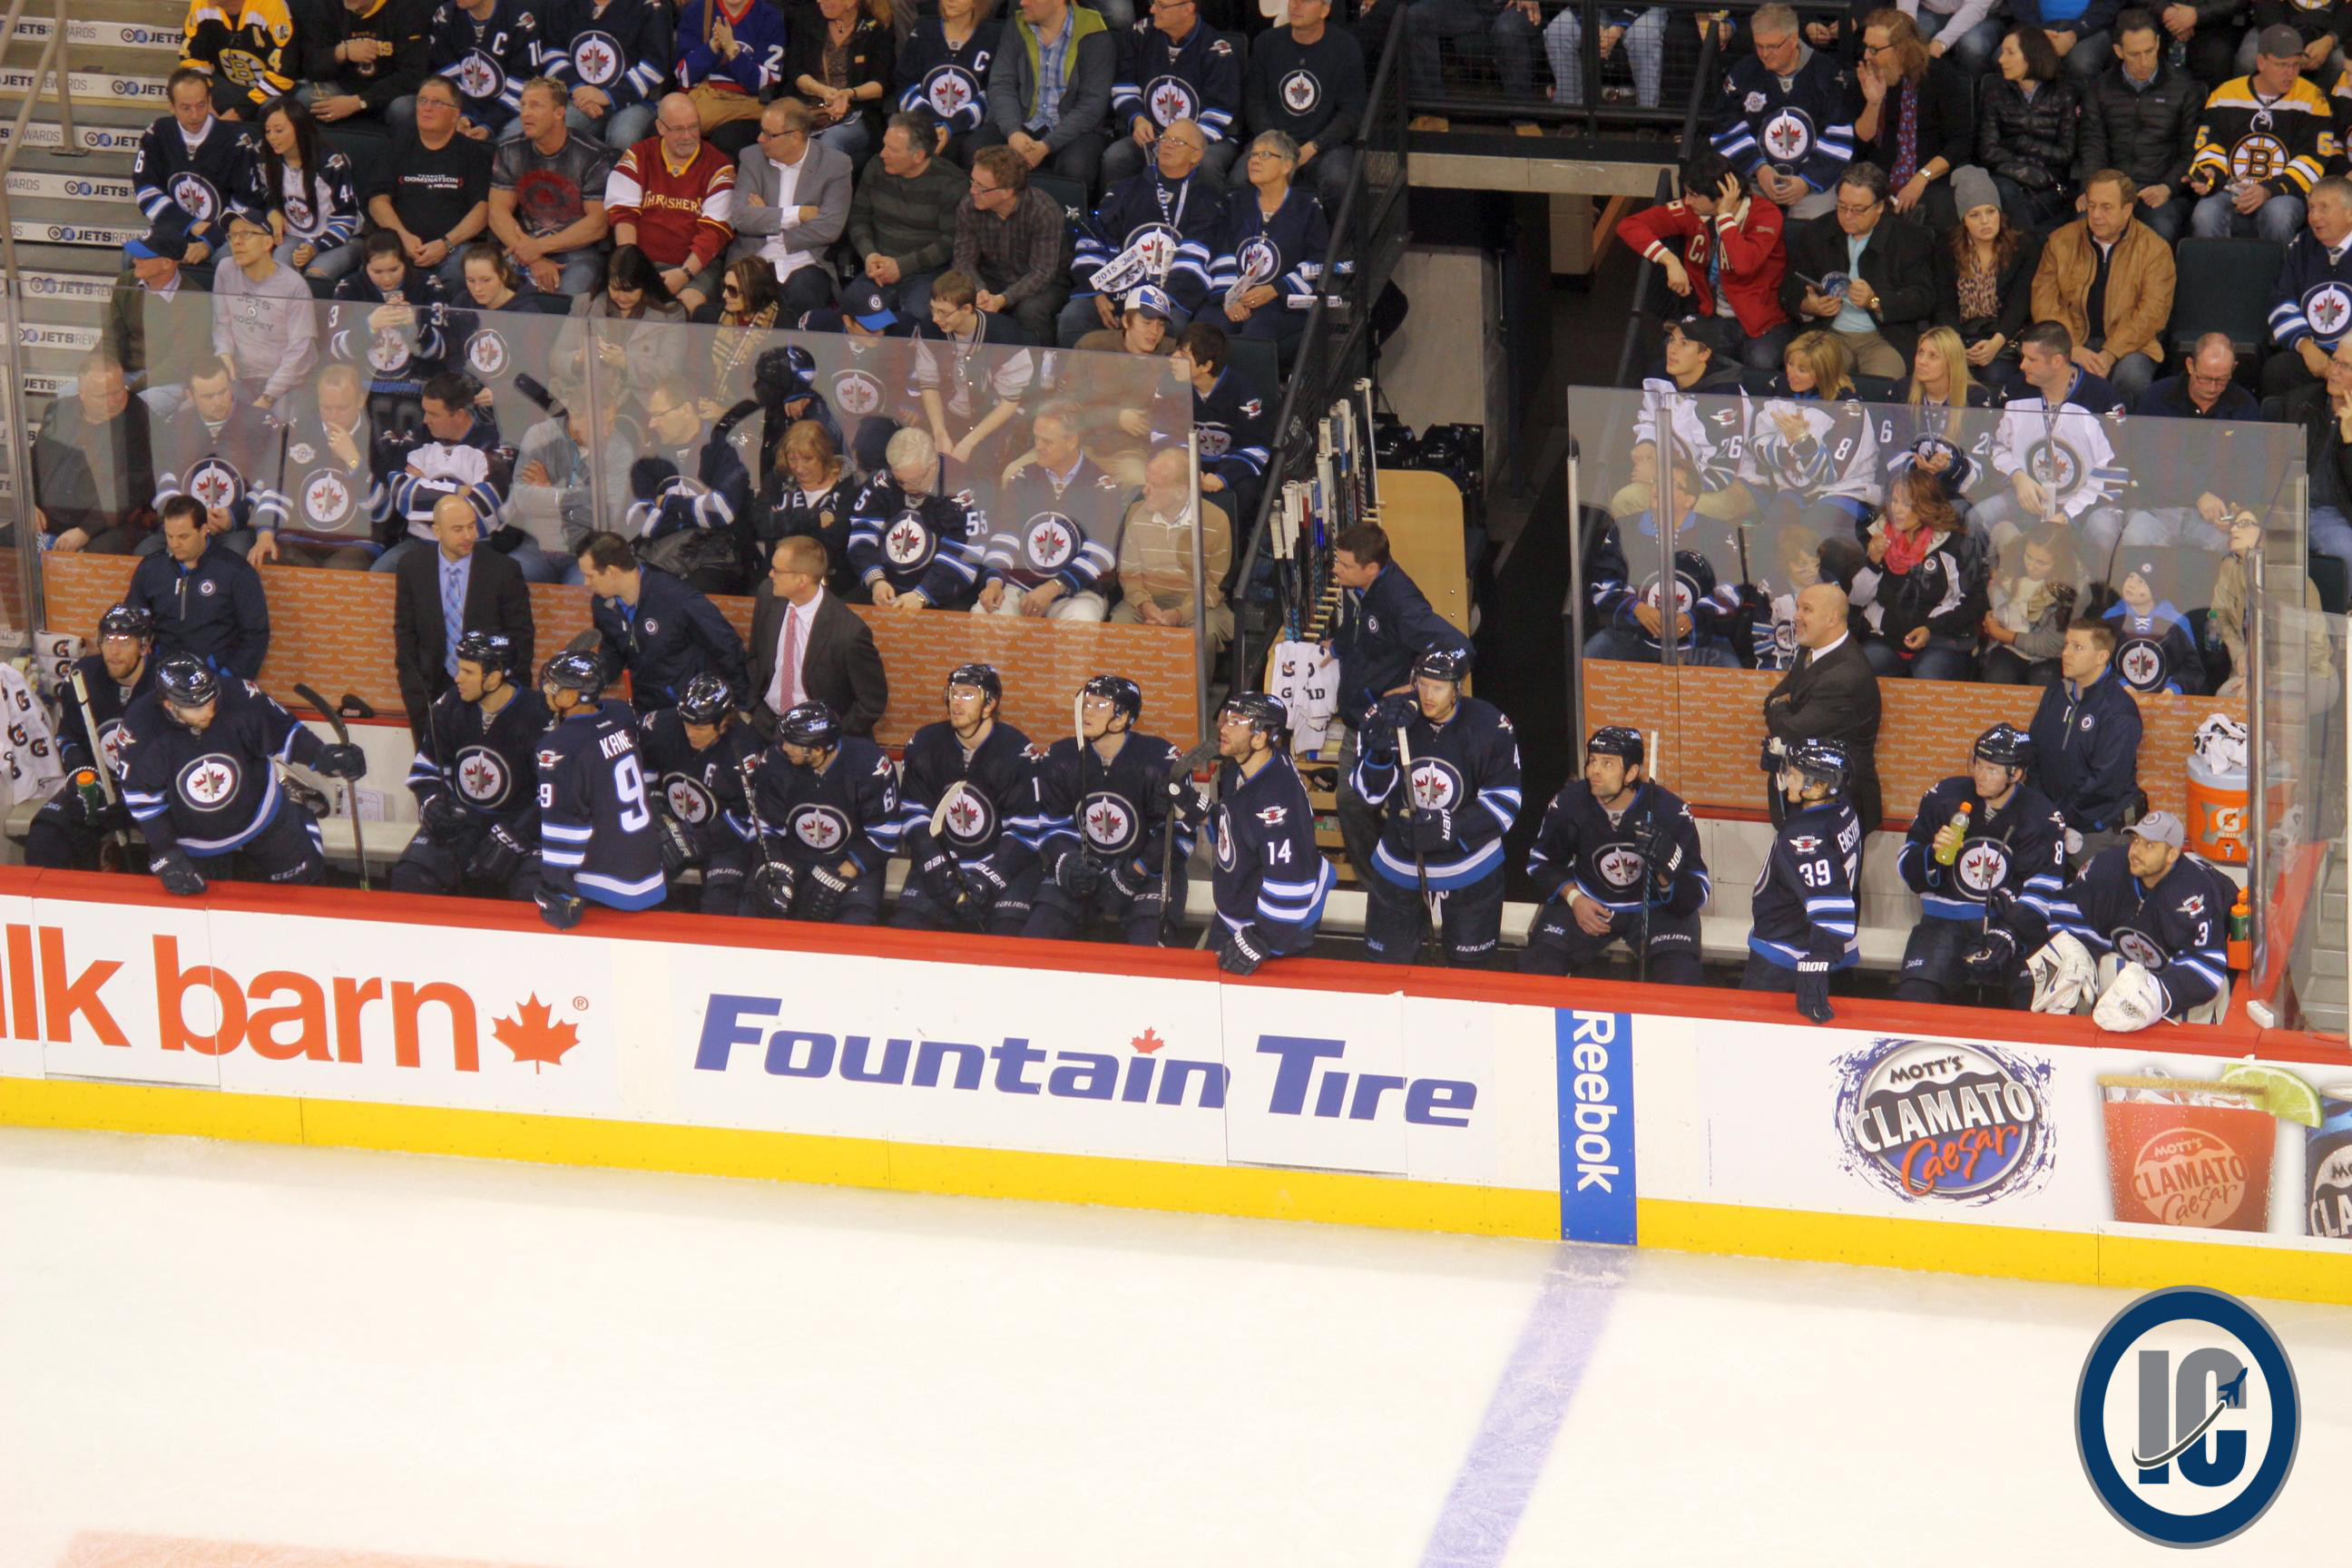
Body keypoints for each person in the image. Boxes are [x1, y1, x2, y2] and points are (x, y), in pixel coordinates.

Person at [122, 656, 367, 895]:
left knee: (305, 888)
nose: (209, 711)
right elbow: (141, 796)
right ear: (170, 705)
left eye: (211, 701)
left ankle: (298, 815)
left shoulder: (239, 695)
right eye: (198, 707)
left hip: (263, 815)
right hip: (195, 841)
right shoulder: (141, 727)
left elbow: (284, 733)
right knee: (202, 909)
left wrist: (323, 756)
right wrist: (165, 852)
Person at [1349, 648, 1520, 967]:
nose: (1427, 695)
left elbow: (1505, 804)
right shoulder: (1387, 716)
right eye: (1422, 684)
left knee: (1469, 974)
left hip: (1471, 867)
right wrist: (1379, 754)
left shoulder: (1490, 725)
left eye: (1438, 688)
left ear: (1457, 689)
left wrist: (1451, 827)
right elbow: (1368, 795)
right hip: (1400, 864)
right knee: (1386, 970)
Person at [1326, 520, 1471, 884]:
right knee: (1350, 802)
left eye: (1344, 564)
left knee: (1385, 804)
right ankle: (1374, 883)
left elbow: (1460, 648)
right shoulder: (1358, 588)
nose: (1336, 570)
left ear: (1371, 568)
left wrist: (1416, 688)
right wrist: (1338, 647)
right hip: (1357, 718)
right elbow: (1357, 627)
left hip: (1390, 725)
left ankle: (1399, 881)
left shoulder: (1400, 602)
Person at [1893, 722, 2069, 1005]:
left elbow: (2045, 888)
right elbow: (1906, 865)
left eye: (1991, 770)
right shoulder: (1943, 797)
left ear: (2016, 774)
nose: (1980, 775)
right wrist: (1931, 856)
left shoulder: (2041, 815)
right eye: (1978, 764)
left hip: (2011, 924)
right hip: (1945, 923)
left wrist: (2009, 932)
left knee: (2036, 1002)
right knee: (1915, 998)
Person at [1520, 725, 1710, 983]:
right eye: (1592, 761)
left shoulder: (1669, 811)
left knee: (1680, 977)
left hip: (1654, 909)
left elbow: (1697, 891)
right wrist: (1574, 898)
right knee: (1537, 968)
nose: (1594, 771)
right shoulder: (1570, 802)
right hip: (1590, 899)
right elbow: (1541, 862)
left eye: (1607, 763)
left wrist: (1665, 870)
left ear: (1631, 772)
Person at [1019, 675, 1190, 945]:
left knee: (1147, 954)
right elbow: (1052, 823)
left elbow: (1181, 834)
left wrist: (1135, 872)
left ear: (1122, 718)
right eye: (1086, 704)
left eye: (1100, 706)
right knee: (1034, 942)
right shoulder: (1061, 756)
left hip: (1148, 875)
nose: (1087, 712)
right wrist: (1068, 862)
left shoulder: (1160, 760)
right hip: (1085, 872)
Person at [391, 629, 553, 897]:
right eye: (460, 669)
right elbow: (427, 771)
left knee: (530, 892)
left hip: (520, 828)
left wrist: (517, 834)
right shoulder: (448, 706)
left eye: (468, 672)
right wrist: (432, 804)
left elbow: (552, 793)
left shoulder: (539, 715)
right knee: (411, 876)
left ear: (494, 677)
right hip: (465, 822)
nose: (457, 678)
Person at [715, 699, 902, 922]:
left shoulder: (869, 765)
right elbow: (765, 825)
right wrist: (774, 867)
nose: (784, 747)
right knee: (754, 912)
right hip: (791, 857)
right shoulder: (775, 761)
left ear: (818, 750)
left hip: (850, 859)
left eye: (793, 743)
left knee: (855, 921)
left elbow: (885, 834)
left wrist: (843, 873)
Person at [2043, 810, 2237, 1027]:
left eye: (2150, 845)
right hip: (2143, 943)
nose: (2136, 851)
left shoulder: (2192, 895)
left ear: (2172, 854)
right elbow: (2068, 906)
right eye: (2135, 840)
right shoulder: (2107, 866)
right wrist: (2076, 950)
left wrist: (2158, 994)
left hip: (2218, 945)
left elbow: (2207, 968)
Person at [888, 663, 1038, 933]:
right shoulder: (925, 743)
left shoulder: (1016, 751)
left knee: (1005, 939)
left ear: (990, 703)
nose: (956, 702)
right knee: (906, 931)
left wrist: (987, 878)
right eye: (953, 693)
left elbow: (1024, 829)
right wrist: (937, 866)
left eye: (968, 694)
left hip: (1001, 867)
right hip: (942, 861)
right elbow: (913, 812)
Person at [1618, 148, 1791, 374]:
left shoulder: (1766, 214)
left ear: (1720, 195)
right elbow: (1629, 226)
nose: (1687, 201)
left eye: (1693, 194)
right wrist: (1670, 260)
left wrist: (1725, 217)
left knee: (1761, 363)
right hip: (1715, 317)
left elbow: (1744, 264)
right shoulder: (1691, 211)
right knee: (1674, 352)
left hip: (1765, 320)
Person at [1197, 691, 1331, 975]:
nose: (1224, 728)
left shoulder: (1276, 803)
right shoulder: (1245, 768)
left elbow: (1292, 880)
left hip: (1277, 927)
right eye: (1226, 719)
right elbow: (1241, 832)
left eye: (1236, 722)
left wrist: (1262, 939)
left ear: (1260, 737)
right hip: (1236, 917)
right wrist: (1200, 811)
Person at [533, 648, 668, 926]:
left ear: (573, 695)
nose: (546, 690)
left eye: (554, 686)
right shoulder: (621, 715)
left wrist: (557, 887)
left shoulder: (558, 747)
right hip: (647, 864)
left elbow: (564, 822)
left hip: (606, 878)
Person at [24, 605, 160, 872]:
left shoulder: (165, 683)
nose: (114, 651)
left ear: (144, 646)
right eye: (108, 640)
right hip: (97, 784)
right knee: (44, 840)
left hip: (152, 792)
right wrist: (82, 773)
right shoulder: (83, 675)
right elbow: (67, 736)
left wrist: (135, 800)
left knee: (174, 850)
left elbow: (182, 751)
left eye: (124, 642)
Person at [1976, 320, 2131, 556]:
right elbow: (1997, 446)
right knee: (1977, 518)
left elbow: (2114, 472)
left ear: (2057, 361)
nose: (2022, 365)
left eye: (2032, 359)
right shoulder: (2015, 389)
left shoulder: (2102, 398)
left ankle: (2094, 582)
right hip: (2028, 497)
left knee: (2103, 532)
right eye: (2023, 357)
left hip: (2088, 504)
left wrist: (2067, 515)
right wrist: (2017, 477)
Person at [1064, 117, 1222, 345]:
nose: (1167, 145)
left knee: (1174, 325)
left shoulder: (1206, 201)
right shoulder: (1124, 190)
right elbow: (1095, 240)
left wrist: (1152, 306)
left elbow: (1195, 260)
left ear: (1196, 156)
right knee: (1075, 316)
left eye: (1178, 142)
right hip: (1116, 294)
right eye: (1165, 138)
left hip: (1165, 299)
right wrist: (1097, 292)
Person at [392, 492, 535, 738]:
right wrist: (414, 694)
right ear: (437, 532)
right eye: (458, 529)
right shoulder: (411, 566)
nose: (469, 536)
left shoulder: (503, 570)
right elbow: (405, 633)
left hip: (489, 691)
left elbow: (521, 637)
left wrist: (510, 693)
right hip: (431, 691)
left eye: (472, 526)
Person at [2029, 167, 2176, 403]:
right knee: (2048, 370)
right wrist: (2071, 347)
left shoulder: (2155, 249)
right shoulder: (2060, 241)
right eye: (2092, 206)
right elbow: (2044, 301)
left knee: (2132, 377)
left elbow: (2152, 313)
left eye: (2106, 207)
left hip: (2131, 345)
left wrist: (2111, 353)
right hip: (2071, 340)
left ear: (2127, 210)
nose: (2096, 215)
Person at [1778, 161, 1933, 383]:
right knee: (1812, 377)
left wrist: (1875, 301)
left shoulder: (1908, 238)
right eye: (1842, 206)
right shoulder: (1816, 232)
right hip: (1828, 334)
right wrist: (1808, 305)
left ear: (1879, 206)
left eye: (1858, 209)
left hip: (1884, 338)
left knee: (1880, 387)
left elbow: (1923, 298)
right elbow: (1789, 287)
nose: (1848, 215)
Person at [1743, 736, 1862, 1023]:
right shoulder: (1841, 807)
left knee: (1751, 1032)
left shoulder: (1805, 840)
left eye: (1794, 776)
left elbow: (1829, 902)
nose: (1788, 781)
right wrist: (1782, 761)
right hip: (1816, 943)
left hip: (1787, 952)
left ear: (1819, 786)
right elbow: (1795, 812)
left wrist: (1818, 962)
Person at [1707, 4, 1858, 223]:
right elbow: (1725, 126)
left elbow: (1839, 133)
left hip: (1815, 183)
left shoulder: (1827, 73)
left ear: (1794, 39)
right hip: (1755, 181)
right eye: (1759, 46)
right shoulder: (1742, 72)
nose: (1764, 54)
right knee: (1742, 223)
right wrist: (1758, 168)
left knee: (1819, 226)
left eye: (1772, 46)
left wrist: (1807, 182)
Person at [575, 530, 750, 712]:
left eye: (590, 575)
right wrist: (597, 677)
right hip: (647, 709)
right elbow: (613, 648)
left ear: (611, 572)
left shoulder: (678, 599)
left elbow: (727, 646)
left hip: (692, 708)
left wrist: (740, 704)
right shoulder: (602, 604)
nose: (585, 583)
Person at [2189, 25, 2335, 242]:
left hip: (2284, 193)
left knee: (2279, 215)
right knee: (2205, 214)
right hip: (2230, 189)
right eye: (2282, 65)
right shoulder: (2224, 94)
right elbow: (2211, 146)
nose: (2290, 73)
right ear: (2261, 62)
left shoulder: (2313, 99)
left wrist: (2269, 189)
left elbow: (2312, 161)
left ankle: (2281, 266)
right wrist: (2211, 174)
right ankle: (2216, 266)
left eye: (2296, 65)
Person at [980, 403, 1124, 620]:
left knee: (1082, 619)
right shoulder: (1023, 478)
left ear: (1071, 441)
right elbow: (1005, 535)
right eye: (1036, 438)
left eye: (1047, 441)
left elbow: (1101, 553)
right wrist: (994, 582)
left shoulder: (1101, 486)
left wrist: (1055, 586)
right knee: (985, 616)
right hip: (1020, 587)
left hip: (1076, 593)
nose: (1038, 446)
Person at [1763, 582, 1883, 835]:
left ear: (1832, 618)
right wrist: (1778, 704)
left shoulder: (1845, 675)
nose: (1796, 616)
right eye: (1798, 608)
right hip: (1802, 802)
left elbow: (1791, 732)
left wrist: (1779, 707)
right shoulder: (1809, 650)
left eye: (1806, 609)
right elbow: (1773, 698)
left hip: (1837, 809)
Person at [605, 93, 739, 314]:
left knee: (685, 306)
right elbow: (623, 216)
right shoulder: (638, 156)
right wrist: (633, 268)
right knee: (621, 304)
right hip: (641, 262)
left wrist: (684, 274)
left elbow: (714, 233)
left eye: (693, 127)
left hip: (694, 267)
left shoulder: (719, 166)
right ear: (660, 127)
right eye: (678, 129)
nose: (688, 136)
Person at [2077, 9, 2202, 243]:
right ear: (2118, 51)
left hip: (2162, 189)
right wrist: (2092, 189)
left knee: (2159, 230)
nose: (2144, 62)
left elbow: (2191, 151)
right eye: (2134, 54)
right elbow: (2093, 145)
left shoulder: (2185, 88)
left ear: (2158, 43)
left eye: (2149, 51)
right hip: (2112, 188)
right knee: (2083, 230)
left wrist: (2168, 187)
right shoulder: (2099, 88)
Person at [487, 76, 616, 299]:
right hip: (522, 247)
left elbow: (597, 224)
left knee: (566, 297)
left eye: (535, 106)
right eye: (523, 105)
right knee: (488, 288)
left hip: (577, 251)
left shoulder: (593, 154)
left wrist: (539, 247)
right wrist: (533, 258)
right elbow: (497, 212)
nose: (525, 113)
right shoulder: (510, 149)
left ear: (559, 113)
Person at [748, 534, 888, 737]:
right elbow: (755, 656)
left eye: (777, 570)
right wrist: (755, 707)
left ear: (802, 579)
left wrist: (828, 736)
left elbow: (871, 703)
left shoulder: (849, 632)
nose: (770, 574)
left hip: (816, 735)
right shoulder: (767, 595)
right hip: (767, 724)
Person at [634, 672, 759, 902]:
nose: (690, 733)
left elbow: (751, 815)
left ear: (723, 723)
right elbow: (639, 764)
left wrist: (697, 837)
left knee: (720, 901)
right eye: (687, 724)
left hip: (723, 844)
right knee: (638, 882)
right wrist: (657, 809)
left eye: (699, 728)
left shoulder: (745, 751)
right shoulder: (662, 726)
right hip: (670, 829)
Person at [720, 101, 849, 320]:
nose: (760, 139)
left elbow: (830, 228)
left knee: (802, 299)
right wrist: (798, 214)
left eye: (769, 134)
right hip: (755, 258)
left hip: (806, 261)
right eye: (761, 131)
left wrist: (768, 219)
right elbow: (741, 218)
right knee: (740, 301)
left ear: (795, 137)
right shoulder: (751, 157)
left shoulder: (835, 164)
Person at [1851, 468, 1986, 679]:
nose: (1897, 510)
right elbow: (1857, 599)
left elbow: (1974, 601)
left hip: (1940, 641)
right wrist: (1873, 563)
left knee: (1928, 672)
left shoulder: (1954, 545)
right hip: (1887, 641)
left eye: (1906, 504)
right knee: (1860, 669)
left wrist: (1931, 630)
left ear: (1926, 506)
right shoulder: (1877, 538)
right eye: (1894, 501)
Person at [2028, 617, 2142, 861]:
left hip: (2096, 831)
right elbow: (2035, 750)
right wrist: (2041, 807)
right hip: (2050, 822)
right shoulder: (2056, 692)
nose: (2066, 653)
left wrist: (2058, 814)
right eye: (2066, 645)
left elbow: (2105, 783)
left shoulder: (2118, 710)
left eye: (2077, 647)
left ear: (2101, 656)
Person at [626, 375, 753, 593]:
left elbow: (722, 511)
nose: (651, 424)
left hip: (717, 560)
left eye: (658, 415)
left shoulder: (724, 450)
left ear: (686, 409)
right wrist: (699, 511)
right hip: (662, 556)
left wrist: (667, 503)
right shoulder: (647, 458)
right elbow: (636, 520)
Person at [372, 372, 511, 572]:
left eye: (434, 414)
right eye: (425, 411)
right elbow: (402, 495)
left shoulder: (491, 446)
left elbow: (481, 513)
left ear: (459, 415)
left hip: (472, 546)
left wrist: (425, 486)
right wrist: (461, 491)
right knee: (379, 573)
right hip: (419, 543)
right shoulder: (416, 440)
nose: (425, 420)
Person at [369, 76, 496, 294]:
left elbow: (483, 208)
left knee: (461, 270)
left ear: (455, 114)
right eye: (422, 100)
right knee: (379, 266)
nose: (427, 108)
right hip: (400, 244)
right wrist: (402, 237)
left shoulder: (474, 153)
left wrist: (446, 244)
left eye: (437, 102)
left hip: (455, 247)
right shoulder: (395, 146)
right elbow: (377, 201)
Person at [1851, 9, 1974, 233]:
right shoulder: (1865, 75)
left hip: (1931, 174)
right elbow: (1861, 142)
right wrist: (1873, 103)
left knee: (1940, 210)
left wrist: (1921, 178)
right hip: (1879, 173)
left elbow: (1960, 142)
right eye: (1866, 46)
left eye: (1875, 49)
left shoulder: (1941, 75)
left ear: (1901, 49)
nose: (1867, 55)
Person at [124, 496, 273, 680]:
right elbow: (132, 621)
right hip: (163, 676)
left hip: (216, 678)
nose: (174, 544)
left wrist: (228, 678)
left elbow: (256, 634)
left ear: (203, 530)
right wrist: (144, 662)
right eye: (169, 536)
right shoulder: (151, 568)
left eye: (183, 536)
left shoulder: (236, 571)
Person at [152, 357, 288, 556]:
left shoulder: (261, 423)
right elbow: (165, 480)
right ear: (190, 395)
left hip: (238, 527)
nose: (218, 402)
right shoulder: (177, 426)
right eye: (208, 396)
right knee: (148, 552)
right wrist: (189, 518)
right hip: (184, 527)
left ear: (231, 386)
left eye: (223, 392)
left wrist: (234, 515)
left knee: (233, 555)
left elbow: (269, 481)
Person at [251, 363, 381, 568]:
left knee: (340, 570)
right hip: (298, 540)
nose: (333, 416)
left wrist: (353, 460)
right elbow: (278, 489)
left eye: (342, 408)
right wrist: (265, 534)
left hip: (355, 543)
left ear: (360, 401)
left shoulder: (378, 437)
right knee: (268, 557)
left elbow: (381, 512)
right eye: (326, 408)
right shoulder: (297, 432)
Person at [976, 0, 1117, 188]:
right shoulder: (1016, 26)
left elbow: (1092, 104)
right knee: (977, 150)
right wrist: (1013, 132)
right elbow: (1001, 84)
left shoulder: (1094, 33)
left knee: (1076, 165)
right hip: (1022, 121)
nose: (1022, 2)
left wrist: (1047, 145)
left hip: (1073, 130)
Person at [31, 352, 159, 556]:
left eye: (117, 392)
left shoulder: (139, 418)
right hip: (51, 516)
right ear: (82, 394)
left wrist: (85, 531)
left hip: (108, 524)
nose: (111, 402)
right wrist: (29, 503)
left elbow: (135, 485)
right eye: (101, 396)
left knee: (98, 555)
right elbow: (34, 462)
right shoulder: (59, 411)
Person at [1210, 131, 1327, 356]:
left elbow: (1318, 261)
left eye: (1264, 155)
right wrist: (1229, 297)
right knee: (1207, 331)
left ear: (1287, 166)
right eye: (1253, 155)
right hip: (1235, 297)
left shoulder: (1308, 208)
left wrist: (1276, 289)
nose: (1254, 160)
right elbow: (1222, 250)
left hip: (1284, 304)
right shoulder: (1235, 201)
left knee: (1257, 332)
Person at [847, 425, 988, 608]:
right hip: (885, 585)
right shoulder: (883, 480)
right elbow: (861, 532)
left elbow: (964, 557)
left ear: (933, 464)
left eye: (915, 481)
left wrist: (921, 595)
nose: (907, 488)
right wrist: (875, 579)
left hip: (943, 594)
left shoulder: (963, 489)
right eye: (900, 482)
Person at [1102, 0, 1241, 185]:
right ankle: (1115, 205)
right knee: (1116, 157)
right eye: (1153, 2)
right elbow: (1124, 86)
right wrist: (1137, 119)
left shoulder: (1217, 50)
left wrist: (1180, 143)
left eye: (1161, 6)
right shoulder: (1141, 33)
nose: (1152, 9)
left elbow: (1219, 114)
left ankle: (1209, 206)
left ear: (1188, 9)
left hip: (1206, 139)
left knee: (1205, 164)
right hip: (1152, 136)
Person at [135, 68, 256, 281]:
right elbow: (146, 190)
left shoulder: (235, 140)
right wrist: (189, 224)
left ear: (210, 101)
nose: (195, 115)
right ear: (171, 107)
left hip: (224, 233)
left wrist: (209, 240)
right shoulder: (158, 133)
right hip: (174, 226)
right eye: (185, 108)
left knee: (227, 262)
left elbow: (246, 202)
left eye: (201, 105)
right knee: (133, 258)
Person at [915, 270, 1037, 476]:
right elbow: (928, 384)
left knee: (978, 474)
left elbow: (1010, 401)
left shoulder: (1006, 336)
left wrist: (969, 442)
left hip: (990, 421)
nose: (935, 318)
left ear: (966, 309)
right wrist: (940, 432)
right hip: (948, 415)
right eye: (933, 309)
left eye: (944, 312)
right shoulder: (930, 328)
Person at [1929, 172, 2040, 398]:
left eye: (1991, 212)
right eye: (1974, 215)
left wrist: (1995, 343)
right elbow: (1944, 304)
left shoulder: (2024, 247)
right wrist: (1957, 348)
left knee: (1995, 375)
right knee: (1941, 376)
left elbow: (2020, 303)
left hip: (2004, 336)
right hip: (1960, 335)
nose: (1985, 221)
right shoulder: (1946, 249)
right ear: (1963, 219)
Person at [328, 230, 453, 434]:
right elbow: (335, 352)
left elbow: (442, 351)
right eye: (377, 272)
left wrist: (415, 326)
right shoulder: (349, 288)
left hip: (418, 390)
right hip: (364, 391)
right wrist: (369, 327)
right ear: (365, 267)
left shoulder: (428, 285)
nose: (387, 279)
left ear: (405, 262)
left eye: (394, 269)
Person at [1111, 445, 1232, 652]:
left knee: (1203, 635)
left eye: (1155, 485)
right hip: (1145, 599)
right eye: (1146, 481)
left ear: (1181, 491)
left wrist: (1179, 614)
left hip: (1197, 603)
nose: (1144, 491)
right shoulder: (1136, 512)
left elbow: (1215, 584)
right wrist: (1145, 606)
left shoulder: (1216, 520)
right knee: (1120, 627)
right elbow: (1129, 573)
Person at [848, 111, 969, 320]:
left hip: (926, 273)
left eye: (892, 150)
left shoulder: (951, 183)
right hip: (878, 267)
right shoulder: (876, 167)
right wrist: (869, 254)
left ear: (918, 156)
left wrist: (902, 266)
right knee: (856, 314)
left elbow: (951, 241)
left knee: (919, 316)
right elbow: (859, 218)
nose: (883, 154)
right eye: (884, 145)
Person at [1246, 0, 1363, 211]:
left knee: (1338, 181)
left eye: (1306, 1)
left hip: (1324, 146)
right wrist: (1275, 144)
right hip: (1274, 142)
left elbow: (1351, 113)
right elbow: (1255, 103)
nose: (1296, 5)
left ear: (1325, 10)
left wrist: (1314, 146)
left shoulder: (1346, 47)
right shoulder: (1266, 42)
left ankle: (1330, 234)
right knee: (1239, 181)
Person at [953, 145, 1069, 345]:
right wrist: (979, 290)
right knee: (955, 299)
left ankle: (1041, 359)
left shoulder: (1043, 211)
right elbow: (964, 259)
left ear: (1006, 192)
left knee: (1030, 311)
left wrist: (1003, 299)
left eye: (981, 187)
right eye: (973, 181)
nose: (972, 191)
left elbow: (1042, 272)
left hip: (1044, 283)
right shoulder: (969, 206)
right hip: (990, 277)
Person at [211, 204, 318, 412]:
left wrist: (268, 397)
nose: (237, 242)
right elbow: (221, 323)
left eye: (246, 234)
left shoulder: (294, 285)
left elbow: (300, 349)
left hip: (289, 385)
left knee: (274, 422)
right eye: (232, 236)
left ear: (267, 242)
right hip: (241, 380)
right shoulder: (225, 269)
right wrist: (223, 353)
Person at [1978, 26, 2082, 230]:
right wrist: (2025, 169)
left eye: (2010, 53)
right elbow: (1987, 150)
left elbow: (2066, 153)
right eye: (2002, 52)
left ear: (2032, 56)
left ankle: (2025, 244)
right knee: (2006, 192)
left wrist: (2022, 143)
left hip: (2048, 184)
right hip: (2007, 178)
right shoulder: (1995, 92)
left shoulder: (2064, 93)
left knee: (2015, 207)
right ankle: (2028, 244)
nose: (2001, 60)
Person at [258, 99, 366, 292]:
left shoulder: (331, 163)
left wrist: (314, 247)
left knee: (315, 277)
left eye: (279, 130)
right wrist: (272, 210)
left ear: (299, 128)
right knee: (279, 272)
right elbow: (262, 192)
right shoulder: (265, 156)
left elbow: (346, 218)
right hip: (295, 235)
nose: (272, 137)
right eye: (268, 131)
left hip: (340, 239)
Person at [105, 234, 215, 420]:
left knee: (134, 412)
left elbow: (179, 362)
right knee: (71, 394)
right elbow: (112, 337)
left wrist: (128, 389)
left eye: (142, 257)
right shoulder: (126, 281)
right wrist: (104, 374)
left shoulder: (195, 299)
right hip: (125, 374)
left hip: (168, 382)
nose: (135, 260)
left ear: (166, 263)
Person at [2261, 173, 2352, 398]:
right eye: (2311, 208)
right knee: (2277, 371)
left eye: (2324, 208)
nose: (2314, 217)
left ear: (2350, 213)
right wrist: (2305, 346)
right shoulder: (2302, 245)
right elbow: (2281, 301)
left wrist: (2343, 361)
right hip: (2314, 353)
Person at [299, 0, 433, 151]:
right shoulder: (327, 6)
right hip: (344, 88)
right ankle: (326, 158)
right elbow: (310, 67)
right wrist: (340, 53)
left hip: (389, 96)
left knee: (406, 109)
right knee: (306, 98)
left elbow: (412, 76)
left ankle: (399, 160)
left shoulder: (406, 9)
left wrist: (360, 101)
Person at [543, 0, 672, 151]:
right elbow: (552, 53)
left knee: (624, 135)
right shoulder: (562, 5)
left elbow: (656, 65)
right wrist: (576, 88)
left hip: (636, 101)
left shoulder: (650, 5)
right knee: (557, 127)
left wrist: (609, 96)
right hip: (580, 99)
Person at [414, 0, 544, 143]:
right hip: (460, 108)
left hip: (506, 113)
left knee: (518, 130)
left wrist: (489, 125)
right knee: (410, 111)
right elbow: (446, 78)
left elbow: (523, 85)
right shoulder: (446, 16)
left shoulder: (520, 21)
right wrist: (463, 115)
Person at [786, 0, 897, 162]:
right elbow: (795, 71)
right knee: (779, 137)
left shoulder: (876, 26)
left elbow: (881, 83)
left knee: (830, 142)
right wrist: (821, 91)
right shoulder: (807, 19)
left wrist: (848, 94)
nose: (819, 1)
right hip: (810, 108)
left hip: (858, 113)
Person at [1404, 0, 1538, 124]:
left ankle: (1523, 120)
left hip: (1516, 7)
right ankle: (1430, 114)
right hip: (1470, 7)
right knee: (1419, 15)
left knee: (1507, 28)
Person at [672, 0, 788, 145]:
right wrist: (712, 47)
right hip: (705, 100)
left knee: (726, 140)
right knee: (662, 129)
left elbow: (765, 86)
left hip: (747, 106)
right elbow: (682, 76)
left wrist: (732, 50)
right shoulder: (697, 9)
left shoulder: (769, 16)